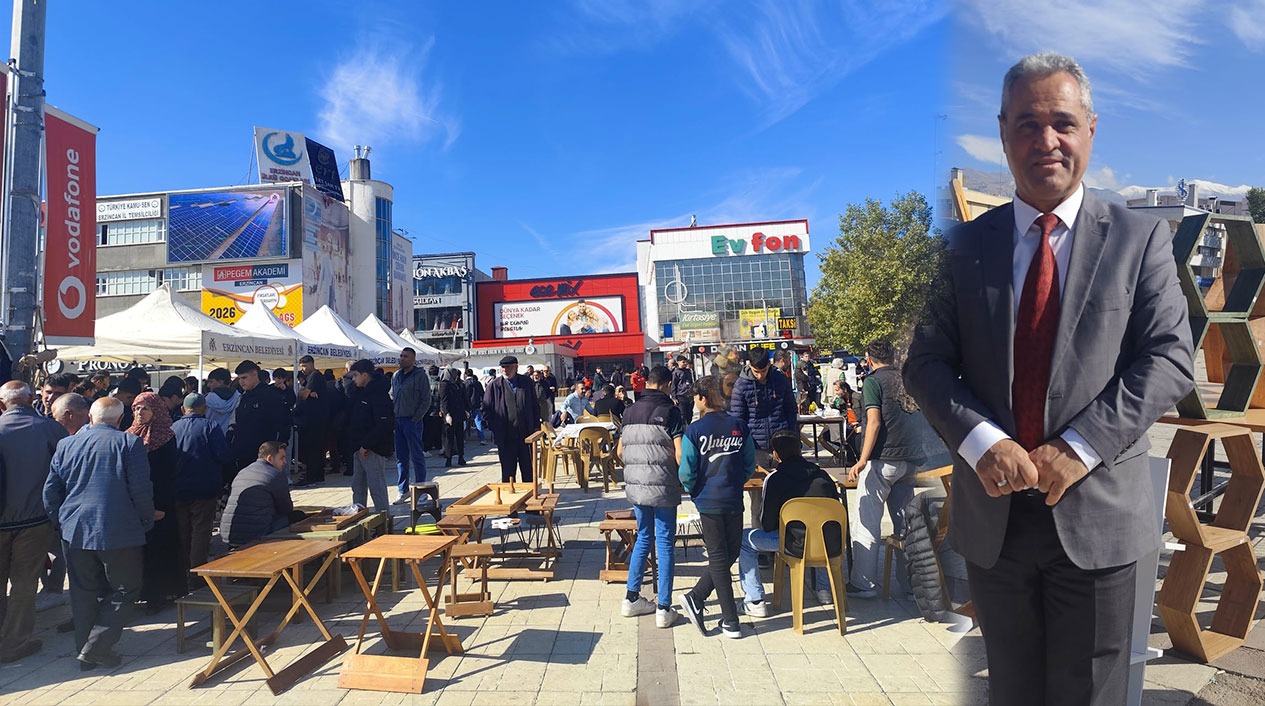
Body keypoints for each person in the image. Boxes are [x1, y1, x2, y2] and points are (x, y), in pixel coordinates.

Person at [903, 53, 1195, 705]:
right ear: (1003, 132)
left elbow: (1171, 356)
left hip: (1098, 515)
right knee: (1010, 689)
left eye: (1061, 122)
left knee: (1089, 691)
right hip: (994, 518)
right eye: (1027, 124)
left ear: (1090, 129)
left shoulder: (1138, 239)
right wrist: (981, 443)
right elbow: (923, 363)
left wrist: (1078, 448)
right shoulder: (958, 250)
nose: (1045, 140)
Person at [43, 397, 155, 670]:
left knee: (82, 592)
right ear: (119, 419)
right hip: (118, 528)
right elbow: (140, 489)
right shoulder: (129, 443)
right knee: (126, 588)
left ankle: (86, 651)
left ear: (91, 417)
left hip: (75, 528)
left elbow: (50, 490)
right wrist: (145, 519)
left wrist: (60, 520)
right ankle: (95, 647)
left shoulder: (67, 444)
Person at [842, 340, 933, 598]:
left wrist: (862, 459)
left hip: (884, 460)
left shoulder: (873, 382)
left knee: (866, 522)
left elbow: (873, 422)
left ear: (869, 359)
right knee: (906, 524)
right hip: (911, 460)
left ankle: (863, 583)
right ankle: (912, 584)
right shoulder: (908, 380)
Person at [676, 375, 755, 639]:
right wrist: (735, 481)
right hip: (731, 497)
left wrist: (693, 488)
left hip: (711, 498)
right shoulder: (738, 426)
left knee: (725, 555)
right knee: (725, 554)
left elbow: (687, 470)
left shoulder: (695, 431)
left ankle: (702, 600)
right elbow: (748, 464)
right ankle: (725, 615)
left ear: (702, 399)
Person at [738, 430, 842, 615]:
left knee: (744, 539)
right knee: (822, 532)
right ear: (800, 450)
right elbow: (836, 513)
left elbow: (767, 524)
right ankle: (824, 589)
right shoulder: (823, 477)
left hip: (791, 542)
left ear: (776, 454)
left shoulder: (775, 479)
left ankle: (755, 600)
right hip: (825, 543)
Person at [0, 382, 68, 662]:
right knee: (24, 584)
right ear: (31, 400)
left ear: (3, 403)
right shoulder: (49, 429)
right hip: (35, 520)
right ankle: (14, 643)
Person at [617, 365, 684, 628]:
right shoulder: (671, 411)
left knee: (643, 537)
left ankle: (632, 598)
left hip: (637, 487)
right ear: (667, 384)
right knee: (665, 542)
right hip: (664, 484)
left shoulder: (629, 411)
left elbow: (621, 452)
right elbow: (679, 453)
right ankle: (664, 607)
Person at [126, 391, 184, 610]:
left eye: (145, 408)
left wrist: (157, 506)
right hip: (134, 504)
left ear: (156, 411)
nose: (140, 413)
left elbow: (168, 474)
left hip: (160, 501)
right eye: (136, 409)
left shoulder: (166, 437)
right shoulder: (129, 434)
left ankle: (159, 595)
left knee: (160, 548)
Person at [170, 394, 232, 582]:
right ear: (204, 409)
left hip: (178, 488)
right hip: (205, 487)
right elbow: (223, 455)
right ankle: (197, 575)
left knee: (183, 530)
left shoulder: (172, 428)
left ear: (183, 409)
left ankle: (183, 571)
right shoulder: (210, 427)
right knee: (201, 530)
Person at [219, 441, 303, 546]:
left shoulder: (243, 472)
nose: (285, 462)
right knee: (298, 516)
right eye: (282, 458)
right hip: (256, 534)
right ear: (270, 458)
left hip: (229, 534)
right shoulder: (275, 475)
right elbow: (286, 508)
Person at [728, 348, 798, 470]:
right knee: (756, 483)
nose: (760, 375)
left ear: (769, 364)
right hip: (755, 444)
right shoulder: (741, 385)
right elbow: (738, 418)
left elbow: (791, 408)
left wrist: (792, 433)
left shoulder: (780, 379)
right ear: (750, 365)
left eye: (764, 371)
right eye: (756, 371)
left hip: (781, 440)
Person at [226, 360, 292, 482]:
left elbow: (282, 424)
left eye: (244, 378)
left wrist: (277, 450)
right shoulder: (243, 397)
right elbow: (234, 423)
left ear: (254, 374)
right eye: (239, 378)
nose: (241, 382)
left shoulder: (270, 396)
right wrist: (230, 445)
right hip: (242, 454)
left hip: (263, 455)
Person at [482, 355, 543, 483]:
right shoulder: (494, 386)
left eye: (508, 367)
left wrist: (536, 425)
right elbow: (486, 409)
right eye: (502, 367)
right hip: (505, 436)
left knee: (528, 469)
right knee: (508, 471)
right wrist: (494, 427)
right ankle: (510, 496)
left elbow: (535, 405)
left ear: (516, 367)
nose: (505, 370)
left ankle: (529, 495)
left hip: (526, 434)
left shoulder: (526, 383)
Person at [348, 359, 396, 512]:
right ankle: (359, 518)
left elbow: (384, 424)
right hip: (359, 445)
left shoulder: (378, 394)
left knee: (376, 487)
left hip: (372, 448)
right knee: (358, 486)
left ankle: (384, 522)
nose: (353, 379)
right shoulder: (360, 392)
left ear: (365, 375)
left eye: (355, 375)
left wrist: (367, 444)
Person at [390, 348, 432, 504]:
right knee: (401, 458)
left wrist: (416, 418)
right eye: (400, 356)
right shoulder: (396, 376)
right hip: (398, 420)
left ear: (413, 359)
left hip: (412, 421)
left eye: (405, 356)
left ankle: (421, 490)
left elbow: (426, 399)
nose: (401, 358)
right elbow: (392, 394)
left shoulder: (420, 376)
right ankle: (403, 490)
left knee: (417, 456)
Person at [293, 365, 332, 486]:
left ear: (310, 364)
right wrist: (308, 392)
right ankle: (318, 477)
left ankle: (311, 477)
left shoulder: (314, 376)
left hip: (313, 421)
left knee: (312, 450)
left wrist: (303, 392)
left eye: (304, 366)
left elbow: (303, 395)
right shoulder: (316, 378)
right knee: (318, 450)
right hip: (319, 420)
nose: (303, 369)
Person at [439, 368, 468, 467]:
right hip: (450, 415)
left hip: (459, 414)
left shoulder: (458, 384)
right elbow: (444, 400)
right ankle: (448, 458)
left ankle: (461, 457)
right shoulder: (444, 384)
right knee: (449, 438)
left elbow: (463, 399)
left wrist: (466, 410)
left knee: (460, 436)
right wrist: (446, 414)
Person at [202, 368, 239, 437]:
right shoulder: (237, 396)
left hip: (210, 435)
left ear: (221, 382)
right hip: (230, 436)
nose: (208, 385)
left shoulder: (207, 399)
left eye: (211, 382)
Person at [463, 368, 486, 444]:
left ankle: (463, 439)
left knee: (465, 423)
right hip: (477, 404)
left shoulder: (464, 383)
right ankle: (482, 439)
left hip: (467, 406)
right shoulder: (478, 383)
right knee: (478, 422)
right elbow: (482, 394)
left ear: (465, 374)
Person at [670, 357, 695, 424]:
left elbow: (691, 382)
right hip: (681, 395)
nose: (685, 363)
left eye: (686, 362)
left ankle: (688, 425)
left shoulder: (688, 371)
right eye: (683, 362)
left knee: (689, 414)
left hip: (689, 396)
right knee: (682, 414)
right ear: (678, 362)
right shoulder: (676, 372)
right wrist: (674, 397)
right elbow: (673, 385)